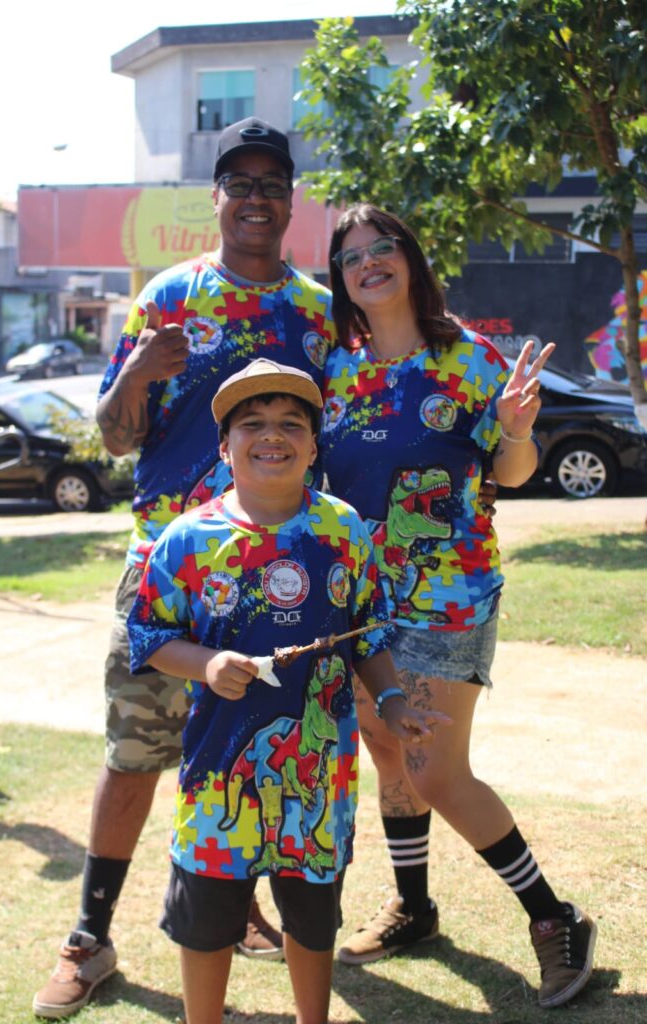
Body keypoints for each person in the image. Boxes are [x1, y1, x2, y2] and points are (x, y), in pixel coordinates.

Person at [32, 119, 336, 1019]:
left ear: (289, 200)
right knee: (137, 754)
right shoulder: (169, 296)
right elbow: (116, 436)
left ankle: (239, 909)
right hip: (172, 569)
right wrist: (144, 371)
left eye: (271, 182)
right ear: (216, 198)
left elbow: (339, 435)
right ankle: (90, 939)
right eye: (237, 182)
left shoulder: (318, 313)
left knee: (262, 753)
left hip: (280, 576)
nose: (254, 197)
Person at [319, 203, 597, 1010]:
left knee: (435, 769)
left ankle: (555, 917)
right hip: (365, 604)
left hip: (448, 597)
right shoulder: (341, 369)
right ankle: (415, 905)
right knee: (382, 743)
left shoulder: (467, 357)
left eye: (383, 248)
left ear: (409, 258)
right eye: (351, 256)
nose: (368, 263)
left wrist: (514, 429)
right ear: (339, 278)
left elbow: (511, 472)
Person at [125, 358, 450, 1024]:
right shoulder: (185, 541)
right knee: (208, 921)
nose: (271, 435)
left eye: (289, 424)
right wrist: (209, 663)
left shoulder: (343, 531)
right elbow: (150, 636)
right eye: (252, 424)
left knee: (313, 916)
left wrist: (391, 702)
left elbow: (368, 634)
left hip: (318, 782)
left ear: (312, 444)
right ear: (224, 446)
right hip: (217, 782)